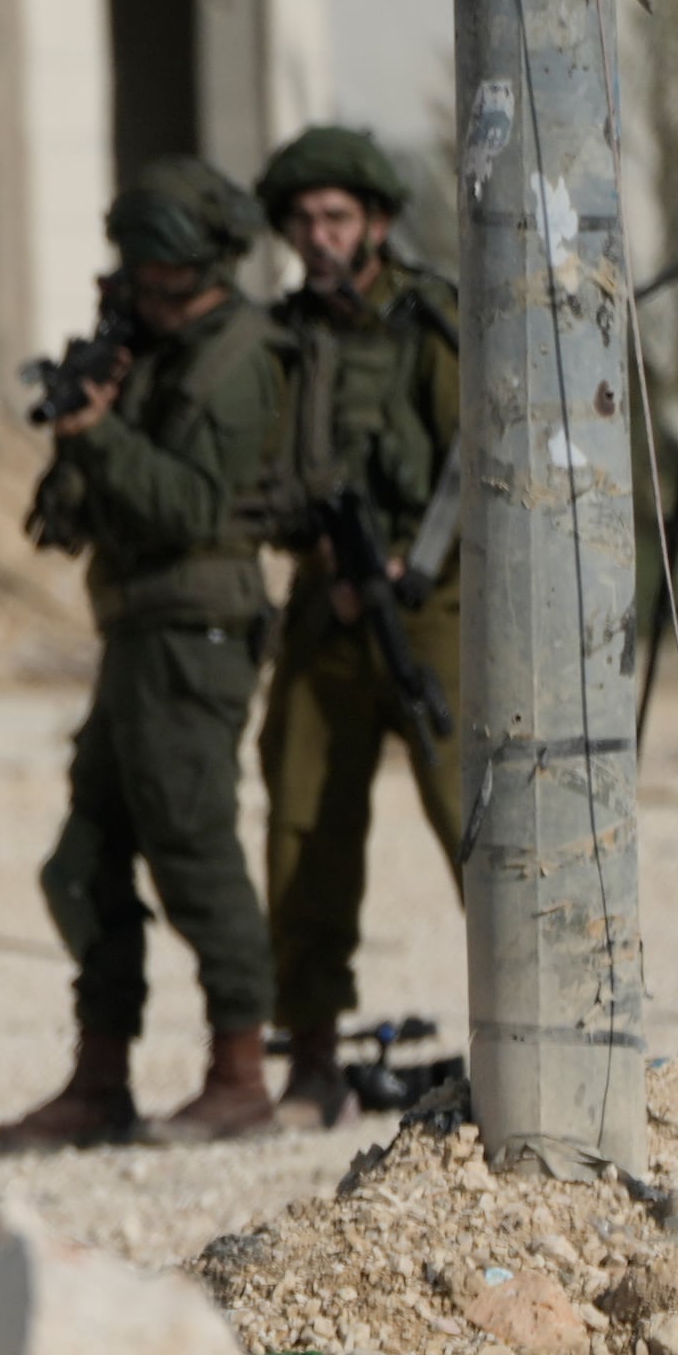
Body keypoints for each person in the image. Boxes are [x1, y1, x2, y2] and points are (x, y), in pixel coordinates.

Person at [0, 157, 293, 1151]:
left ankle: (240, 1070)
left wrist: (101, 436)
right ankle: (99, 1076)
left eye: (163, 272)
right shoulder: (147, 353)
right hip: (133, 634)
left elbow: (193, 508)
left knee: (194, 846)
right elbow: (74, 519)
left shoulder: (237, 358)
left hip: (195, 634)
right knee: (83, 864)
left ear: (208, 262)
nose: (147, 290)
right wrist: (88, 426)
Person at [255, 127, 464, 1131]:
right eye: (302, 221)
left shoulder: (429, 323)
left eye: (336, 217)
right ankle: (310, 1060)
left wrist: (411, 565)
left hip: (434, 607)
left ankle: (534, 1041)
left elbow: (479, 459)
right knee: (302, 828)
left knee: (478, 812)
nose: (318, 236)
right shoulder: (279, 337)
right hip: (323, 609)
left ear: (376, 224)